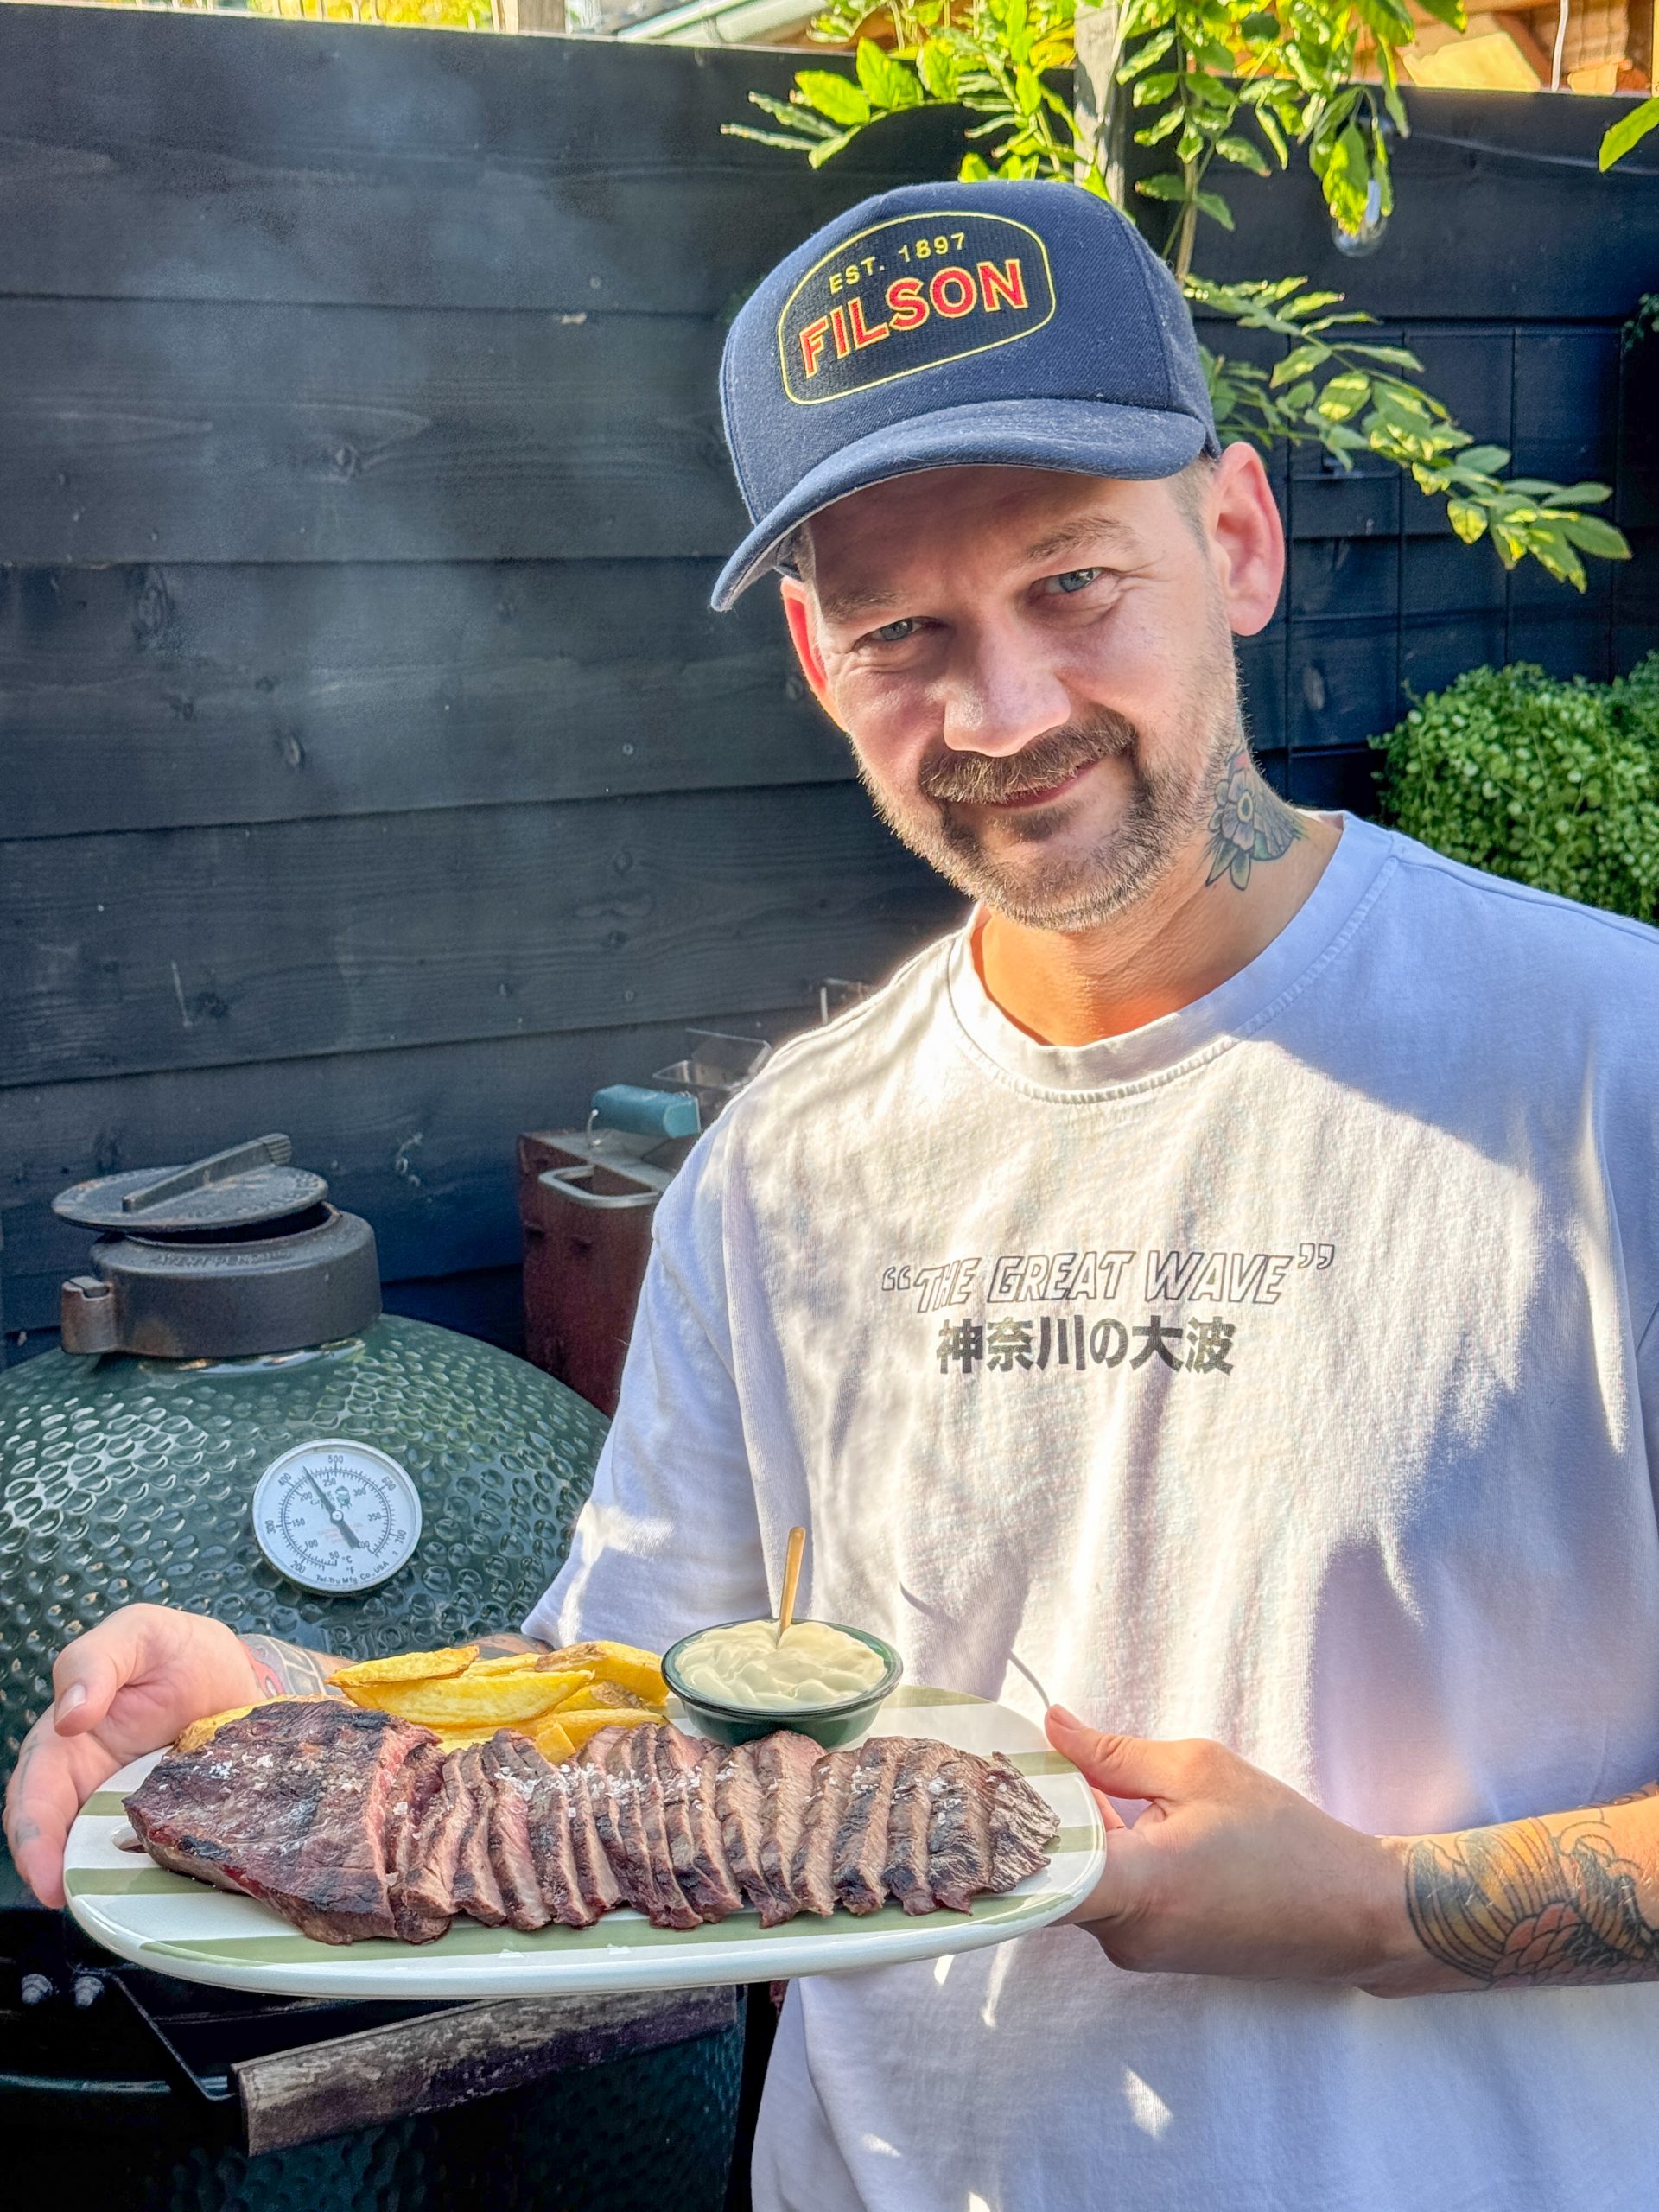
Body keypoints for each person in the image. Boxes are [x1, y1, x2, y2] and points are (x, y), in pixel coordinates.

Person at [10, 178, 1659, 2210]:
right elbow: (642, 1704)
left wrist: (1382, 1902)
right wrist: (296, 1708)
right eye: (907, 633)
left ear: (1234, 535)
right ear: (816, 651)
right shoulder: (791, 1163)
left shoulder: (1609, 1071)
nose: (1005, 713)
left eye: (1073, 583)